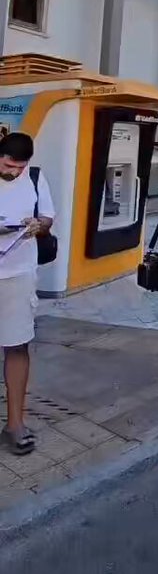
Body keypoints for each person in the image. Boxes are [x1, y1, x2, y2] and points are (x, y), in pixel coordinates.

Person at [0, 132, 55, 456]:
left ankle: (15, 423)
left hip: (19, 275)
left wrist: (38, 224)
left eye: (19, 168)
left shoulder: (34, 177)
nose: (13, 173)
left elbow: (48, 217)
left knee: (17, 346)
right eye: (8, 166)